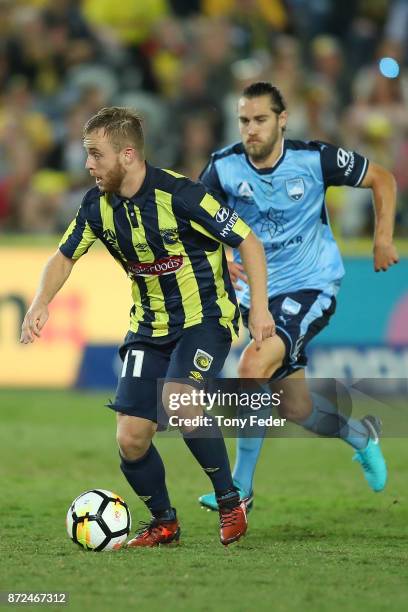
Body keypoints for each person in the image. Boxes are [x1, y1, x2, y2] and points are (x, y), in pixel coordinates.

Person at [20, 106, 276, 546]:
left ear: (128, 154)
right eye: (87, 154)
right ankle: (164, 522)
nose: (88, 164)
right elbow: (64, 255)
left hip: (205, 319)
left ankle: (231, 501)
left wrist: (260, 310)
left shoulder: (181, 195)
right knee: (131, 438)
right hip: (148, 328)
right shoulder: (96, 208)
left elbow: (247, 241)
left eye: (96, 154)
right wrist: (41, 301)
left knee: (178, 399)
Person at [197, 81, 399, 511]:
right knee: (296, 407)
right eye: (244, 121)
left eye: (260, 120)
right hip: (258, 294)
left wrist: (382, 238)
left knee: (252, 365)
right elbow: (194, 221)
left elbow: (382, 177)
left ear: (282, 120)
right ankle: (361, 436)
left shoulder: (315, 159)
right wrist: (218, 258)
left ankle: (239, 492)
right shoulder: (223, 168)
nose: (251, 129)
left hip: (311, 284)